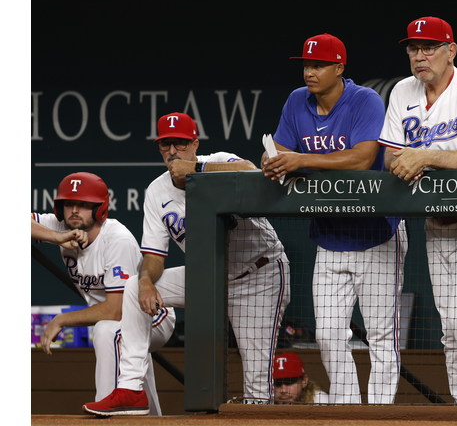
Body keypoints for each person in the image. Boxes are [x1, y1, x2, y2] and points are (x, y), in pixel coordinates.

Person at [83, 113, 290, 416]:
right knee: (132, 285)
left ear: (194, 144)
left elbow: (251, 171)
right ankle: (130, 388)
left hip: (259, 275)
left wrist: (197, 169)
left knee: (257, 387)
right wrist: (145, 282)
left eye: (179, 144)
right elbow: (154, 257)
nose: (171, 152)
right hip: (208, 275)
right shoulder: (157, 191)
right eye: (165, 145)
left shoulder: (217, 161)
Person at [262, 33, 408, 405]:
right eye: (306, 65)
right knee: (327, 335)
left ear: (339, 68)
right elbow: (281, 151)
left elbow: (362, 158)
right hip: (329, 237)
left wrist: (300, 160)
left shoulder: (364, 100)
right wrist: (273, 160)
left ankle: (378, 413)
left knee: (381, 336)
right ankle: (345, 408)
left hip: (376, 234)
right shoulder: (297, 101)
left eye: (318, 65)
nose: (309, 72)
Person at [378, 17, 457, 406]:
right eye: (413, 49)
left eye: (429, 47)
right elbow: (390, 156)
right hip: (436, 224)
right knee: (450, 330)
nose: (420, 56)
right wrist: (410, 160)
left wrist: (422, 157)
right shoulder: (403, 91)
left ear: (451, 51)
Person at [33, 172, 176, 416]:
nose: (75, 210)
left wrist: (61, 320)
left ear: (100, 209)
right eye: (69, 203)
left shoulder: (116, 239)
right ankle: (150, 417)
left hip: (152, 314)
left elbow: (116, 309)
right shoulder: (62, 227)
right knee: (125, 351)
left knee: (108, 332)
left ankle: (107, 416)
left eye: (84, 204)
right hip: (117, 318)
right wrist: (57, 238)